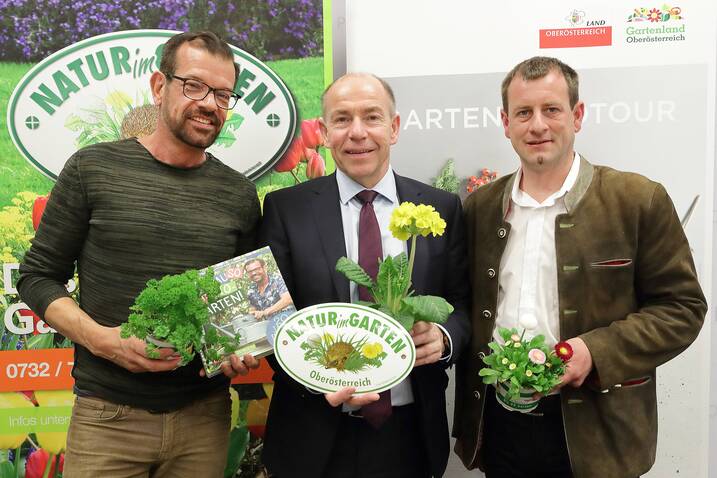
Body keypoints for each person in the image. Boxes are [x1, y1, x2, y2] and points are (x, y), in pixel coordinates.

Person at [18, 31, 261, 477]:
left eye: (223, 94)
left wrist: (239, 346)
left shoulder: (239, 194)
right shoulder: (92, 168)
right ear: (158, 86)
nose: (209, 103)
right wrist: (103, 341)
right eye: (194, 86)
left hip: (203, 419)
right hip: (107, 420)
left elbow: (239, 311)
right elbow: (37, 277)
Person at [453, 56, 707, 478]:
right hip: (500, 427)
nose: (537, 125)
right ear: (505, 121)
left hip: (599, 432)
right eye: (523, 112)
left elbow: (682, 309)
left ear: (578, 114)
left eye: (551, 109)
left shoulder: (636, 200)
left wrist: (593, 352)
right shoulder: (479, 208)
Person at [259, 73, 471, 478]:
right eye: (341, 120)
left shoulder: (442, 208)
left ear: (394, 127)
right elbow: (270, 317)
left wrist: (443, 339)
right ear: (323, 131)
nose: (357, 133)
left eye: (372, 118)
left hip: (410, 433)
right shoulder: (286, 209)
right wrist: (311, 376)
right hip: (313, 429)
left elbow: (464, 305)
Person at [243, 257, 294, 341]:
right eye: (250, 272)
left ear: (264, 268)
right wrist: (251, 315)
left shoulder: (278, 280)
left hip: (289, 324)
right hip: (271, 331)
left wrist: (264, 312)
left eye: (257, 269)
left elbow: (288, 299)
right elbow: (252, 310)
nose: (254, 273)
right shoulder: (251, 290)